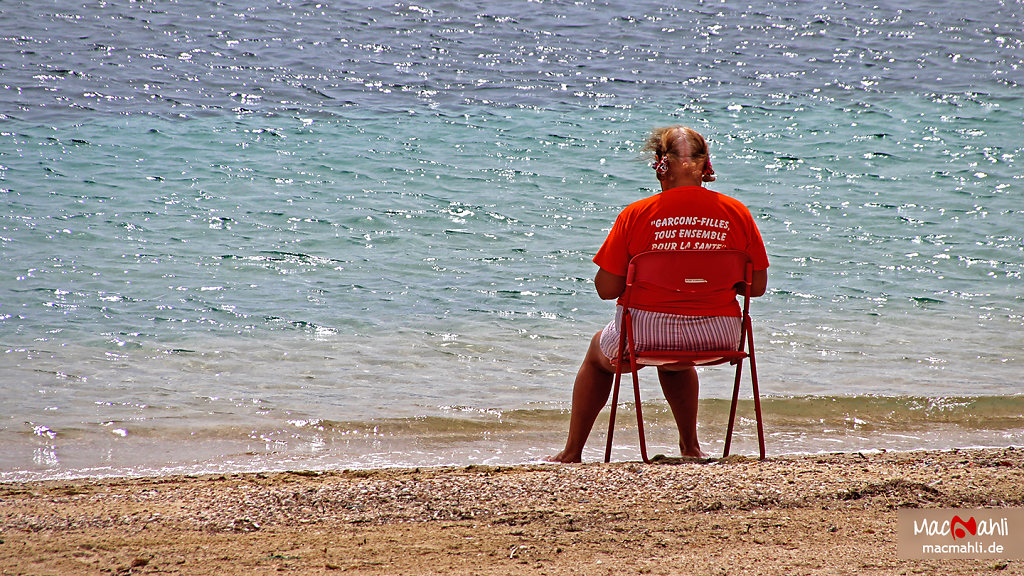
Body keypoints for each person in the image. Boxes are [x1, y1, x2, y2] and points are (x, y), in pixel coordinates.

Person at [547, 125, 769, 463]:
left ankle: (572, 452)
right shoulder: (737, 213)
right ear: (705, 165)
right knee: (677, 361)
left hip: (645, 335)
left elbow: (606, 290)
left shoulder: (636, 215)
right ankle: (691, 447)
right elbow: (756, 287)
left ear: (658, 164)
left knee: (597, 353)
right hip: (718, 335)